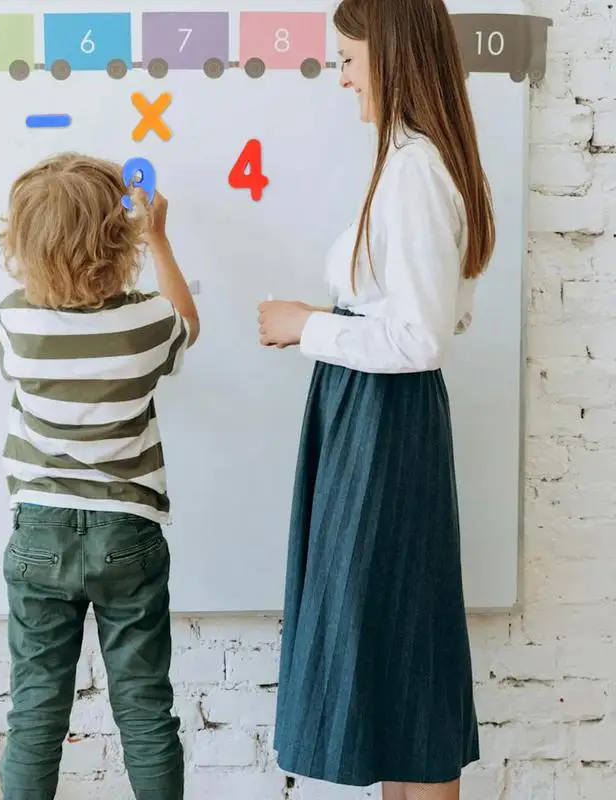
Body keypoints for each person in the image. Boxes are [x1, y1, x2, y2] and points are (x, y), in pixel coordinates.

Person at [257, 1, 495, 798]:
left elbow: (423, 337)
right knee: (390, 659)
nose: (343, 77)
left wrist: (309, 325)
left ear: (394, 57)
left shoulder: (418, 170)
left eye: (350, 59)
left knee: (399, 652)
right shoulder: (405, 163)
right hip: (370, 422)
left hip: (383, 429)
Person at [0, 153, 199, 800]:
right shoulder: (146, 322)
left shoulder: (14, 322)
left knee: (35, 719)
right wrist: (160, 237)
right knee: (143, 711)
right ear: (119, 239)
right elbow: (190, 324)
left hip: (39, 535)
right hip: (128, 534)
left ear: (24, 244)